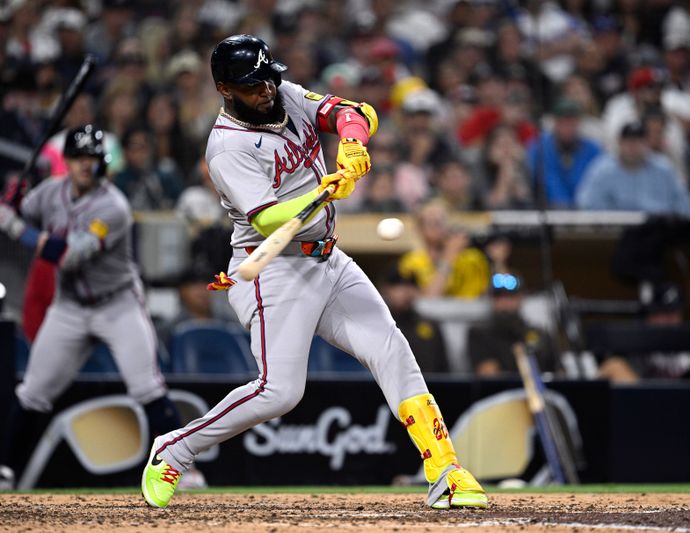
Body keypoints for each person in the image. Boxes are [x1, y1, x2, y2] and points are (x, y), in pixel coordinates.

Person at [139, 35, 487, 510]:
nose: (264, 88)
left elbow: (357, 112)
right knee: (279, 392)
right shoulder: (226, 147)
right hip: (270, 269)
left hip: (327, 259)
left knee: (390, 346)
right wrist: (325, 191)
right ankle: (174, 448)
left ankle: (445, 469)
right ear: (224, 88)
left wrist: (351, 144)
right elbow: (268, 220)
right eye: (250, 84)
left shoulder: (287, 95)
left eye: (267, 76)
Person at [0, 125, 193, 490]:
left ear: (102, 164)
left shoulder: (113, 206)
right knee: (33, 393)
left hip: (116, 303)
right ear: (66, 162)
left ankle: (182, 469)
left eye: (91, 159)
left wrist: (15, 228)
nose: (84, 166)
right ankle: (7, 471)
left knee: (146, 387)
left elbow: (69, 256)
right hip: (69, 306)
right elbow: (24, 209)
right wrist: (13, 200)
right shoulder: (51, 193)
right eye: (77, 158)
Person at [576, 122, 690, 214]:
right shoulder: (602, 169)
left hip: (657, 233)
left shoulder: (663, 168)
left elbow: (684, 206)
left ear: (646, 143)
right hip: (614, 236)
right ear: (619, 143)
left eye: (638, 141)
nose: (632, 147)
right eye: (628, 141)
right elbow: (587, 204)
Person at [468, 271, 555, 376]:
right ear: (491, 299)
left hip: (543, 391)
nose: (504, 303)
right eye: (499, 297)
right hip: (502, 392)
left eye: (510, 297)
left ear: (521, 297)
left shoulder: (540, 335)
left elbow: (559, 374)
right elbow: (488, 375)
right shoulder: (479, 335)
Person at [398, 199, 490, 298]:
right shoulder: (411, 262)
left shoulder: (472, 259)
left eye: (443, 222)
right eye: (434, 223)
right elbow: (428, 299)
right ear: (419, 229)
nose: (440, 228)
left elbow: (480, 297)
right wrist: (448, 257)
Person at [528, 97, 603, 208]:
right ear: (555, 122)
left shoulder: (593, 150)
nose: (567, 127)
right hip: (547, 214)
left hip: (585, 214)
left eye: (572, 122)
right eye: (563, 121)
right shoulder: (539, 148)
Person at [379, 266, 448, 373]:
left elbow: (443, 370)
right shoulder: (377, 326)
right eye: (398, 285)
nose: (406, 291)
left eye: (411, 285)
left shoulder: (431, 326)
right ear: (386, 289)